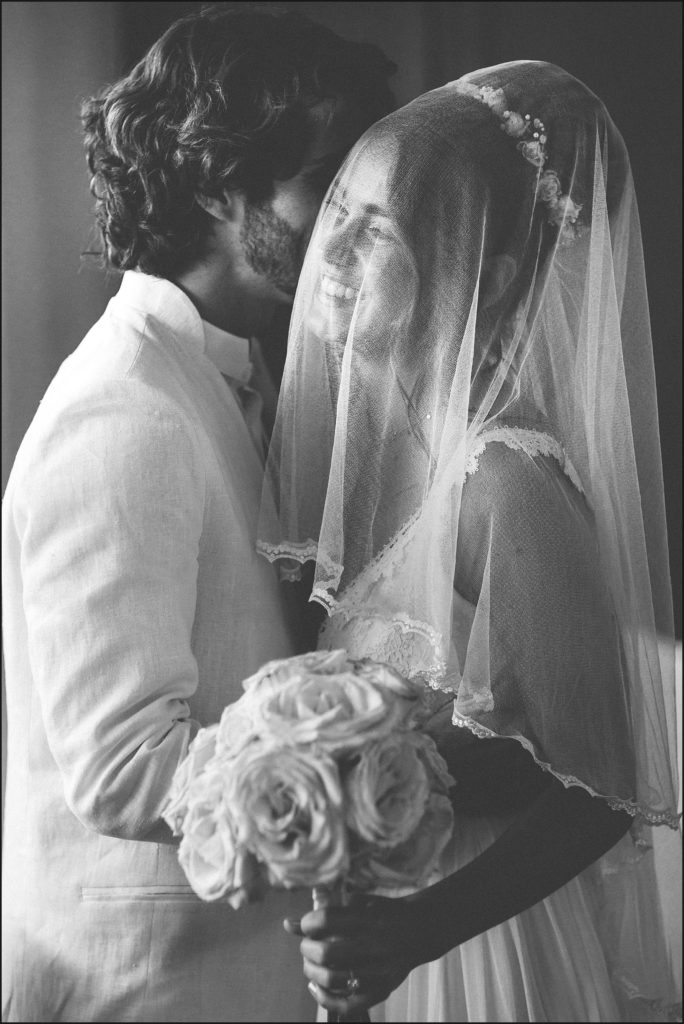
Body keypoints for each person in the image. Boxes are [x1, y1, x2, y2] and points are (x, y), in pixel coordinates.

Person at [258, 61, 681, 1022]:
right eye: (342, 213)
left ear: (480, 269)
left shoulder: (507, 482)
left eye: (381, 228)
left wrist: (417, 933)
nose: (333, 253)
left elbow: (601, 794)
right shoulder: (401, 458)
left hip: (481, 959)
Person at [1, 6, 395, 1022]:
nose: (354, 228)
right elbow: (125, 768)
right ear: (221, 182)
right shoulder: (124, 407)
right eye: (327, 186)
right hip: (151, 988)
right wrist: (383, 756)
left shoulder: (230, 371)